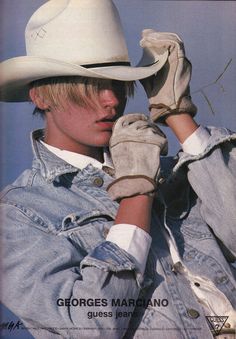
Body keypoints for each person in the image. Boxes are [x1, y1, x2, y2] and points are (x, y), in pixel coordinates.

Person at [0, 0, 235, 338]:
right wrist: (136, 190)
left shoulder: (172, 171)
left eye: (118, 82)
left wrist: (176, 112)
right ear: (41, 96)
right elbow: (91, 327)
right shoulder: (19, 214)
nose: (110, 99)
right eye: (89, 85)